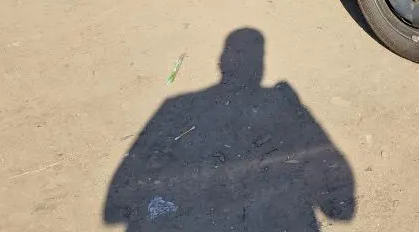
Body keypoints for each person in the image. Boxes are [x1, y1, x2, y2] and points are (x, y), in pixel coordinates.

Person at [104, 28, 355, 230]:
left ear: (221, 61)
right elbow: (341, 204)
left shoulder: (175, 106)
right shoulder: (284, 97)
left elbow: (113, 210)